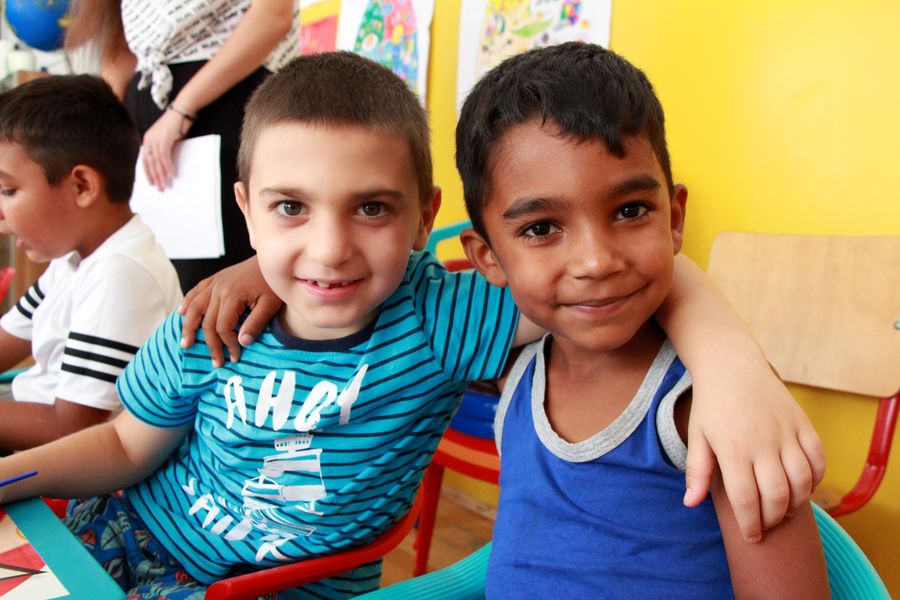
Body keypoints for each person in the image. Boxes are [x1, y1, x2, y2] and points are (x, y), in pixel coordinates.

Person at [0, 53, 821, 598]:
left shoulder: (445, 316)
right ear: (247, 210)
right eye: (291, 208)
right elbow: (123, 447)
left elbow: (622, 272)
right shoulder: (212, 318)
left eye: (372, 209)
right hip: (125, 532)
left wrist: (732, 367)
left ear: (424, 218)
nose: (330, 248)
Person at [454, 42, 829, 597]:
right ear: (487, 257)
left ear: (674, 218)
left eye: (630, 211)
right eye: (541, 228)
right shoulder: (520, 382)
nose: (596, 261)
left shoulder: (715, 409)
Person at [0, 74, 182, 451]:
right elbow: (7, 341)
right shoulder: (72, 259)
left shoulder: (119, 271)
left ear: (82, 186)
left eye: (8, 190)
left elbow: (72, 429)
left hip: (68, 468)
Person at [65, 0, 299, 292]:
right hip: (148, 135)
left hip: (219, 115)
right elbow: (119, 52)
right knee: (158, 278)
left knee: (217, 285)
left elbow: (273, 16)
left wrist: (182, 110)